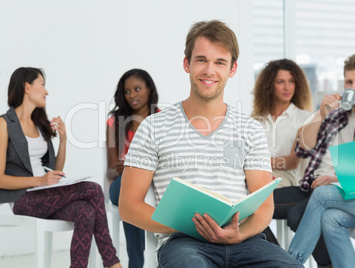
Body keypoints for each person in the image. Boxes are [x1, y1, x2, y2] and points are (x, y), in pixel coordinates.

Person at [119, 20, 302, 268]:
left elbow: (263, 206)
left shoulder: (250, 130)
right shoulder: (153, 127)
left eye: (219, 62)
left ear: (232, 69)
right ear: (187, 64)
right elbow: (129, 206)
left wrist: (239, 233)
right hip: (183, 243)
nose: (209, 70)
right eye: (201, 60)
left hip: (244, 242)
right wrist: (189, 224)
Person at [273, 54, 355, 268]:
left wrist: (336, 179)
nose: (353, 87)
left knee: (302, 212)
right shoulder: (334, 116)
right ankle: (266, 260)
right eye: (349, 82)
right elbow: (302, 149)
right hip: (309, 185)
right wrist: (320, 114)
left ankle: (289, 263)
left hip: (345, 190)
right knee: (258, 205)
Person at [0, 67, 121, 268]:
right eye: (42, 84)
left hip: (46, 195)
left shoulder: (39, 124)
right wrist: (39, 181)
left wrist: (63, 140)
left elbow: (54, 171)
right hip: (23, 199)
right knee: (93, 189)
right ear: (27, 87)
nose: (46, 91)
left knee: (85, 211)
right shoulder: (4, 123)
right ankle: (112, 262)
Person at [106, 68, 159, 268]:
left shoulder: (162, 120)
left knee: (136, 194)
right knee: (129, 193)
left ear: (149, 89)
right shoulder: (115, 122)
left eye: (137, 89)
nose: (132, 96)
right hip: (121, 185)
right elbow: (110, 171)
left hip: (154, 186)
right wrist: (125, 168)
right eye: (127, 91)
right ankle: (136, 263)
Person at [252, 59, 313, 188]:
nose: (287, 87)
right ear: (269, 85)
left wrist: (259, 162)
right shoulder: (256, 119)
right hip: (258, 176)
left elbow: (292, 162)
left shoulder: (305, 118)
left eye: (291, 81)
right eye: (280, 82)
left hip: (288, 182)